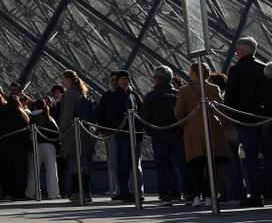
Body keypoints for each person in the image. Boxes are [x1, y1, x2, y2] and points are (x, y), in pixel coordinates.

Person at [177, 62, 228, 208]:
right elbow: (221, 111)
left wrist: (187, 127)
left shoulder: (184, 90)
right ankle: (210, 196)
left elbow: (178, 113)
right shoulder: (214, 88)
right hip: (213, 130)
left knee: (195, 166)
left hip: (192, 133)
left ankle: (196, 197)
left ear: (193, 73)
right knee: (212, 166)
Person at [226, 36, 268, 207]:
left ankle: (256, 195)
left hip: (244, 120)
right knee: (268, 156)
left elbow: (229, 99)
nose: (235, 52)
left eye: (237, 49)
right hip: (265, 119)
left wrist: (233, 118)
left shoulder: (235, 71)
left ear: (242, 51)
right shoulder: (264, 68)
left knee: (250, 158)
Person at [142, 65, 187, 205]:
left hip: (159, 135)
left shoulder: (151, 96)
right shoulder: (179, 94)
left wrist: (152, 132)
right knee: (182, 165)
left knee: (162, 166)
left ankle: (166, 195)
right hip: (178, 134)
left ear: (158, 79)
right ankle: (188, 193)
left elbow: (145, 118)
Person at [98, 70, 144, 202]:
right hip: (121, 134)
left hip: (130, 134)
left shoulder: (132, 95)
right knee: (123, 164)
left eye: (126, 79)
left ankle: (133, 191)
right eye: (120, 79)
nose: (123, 81)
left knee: (131, 164)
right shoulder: (112, 96)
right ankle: (125, 191)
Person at [58, 70, 96, 203]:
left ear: (68, 79)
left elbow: (67, 115)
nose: (61, 81)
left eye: (63, 79)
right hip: (86, 132)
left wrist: (61, 130)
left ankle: (76, 191)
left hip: (73, 133)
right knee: (85, 163)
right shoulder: (81, 93)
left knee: (75, 163)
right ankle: (86, 192)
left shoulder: (69, 94)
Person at [210, 72, 247, 203]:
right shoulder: (230, 95)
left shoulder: (221, 99)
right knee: (235, 165)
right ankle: (239, 192)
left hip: (226, 134)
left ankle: (233, 194)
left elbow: (223, 118)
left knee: (228, 166)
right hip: (235, 134)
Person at [0, 96, 32, 200]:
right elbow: (25, 131)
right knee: (20, 170)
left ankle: (7, 192)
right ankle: (19, 193)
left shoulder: (2, 114)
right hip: (19, 147)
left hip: (5, 146)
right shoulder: (20, 114)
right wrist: (30, 146)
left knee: (7, 169)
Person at [26, 97, 60, 200]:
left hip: (35, 146)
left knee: (33, 171)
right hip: (49, 145)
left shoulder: (29, 117)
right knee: (51, 170)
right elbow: (56, 132)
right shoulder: (48, 117)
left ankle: (30, 192)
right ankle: (53, 194)